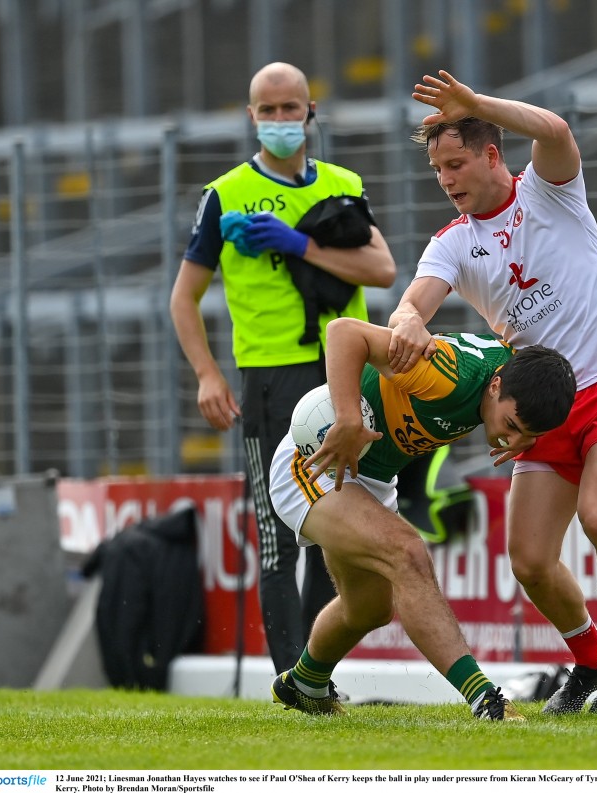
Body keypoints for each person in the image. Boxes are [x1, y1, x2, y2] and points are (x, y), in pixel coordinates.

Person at [387, 70, 597, 714]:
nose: (448, 179)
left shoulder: (551, 192)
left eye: (456, 163)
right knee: (531, 562)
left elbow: (557, 129)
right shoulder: (452, 244)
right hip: (538, 409)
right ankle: (590, 661)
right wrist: (404, 322)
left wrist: (477, 104)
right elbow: (415, 300)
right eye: (437, 171)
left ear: (491, 154)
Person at [169, 62, 397, 675]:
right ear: (251, 117)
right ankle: (286, 679)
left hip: (341, 375)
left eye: (289, 109)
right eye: (266, 111)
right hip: (268, 377)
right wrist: (208, 375)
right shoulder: (225, 194)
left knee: (335, 527)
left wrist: (299, 245)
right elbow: (182, 298)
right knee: (276, 536)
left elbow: (382, 270)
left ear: (310, 110)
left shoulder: (344, 182)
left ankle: (313, 675)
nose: (279, 121)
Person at [268, 317, 576, 719]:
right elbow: (343, 332)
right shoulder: (444, 373)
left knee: (369, 609)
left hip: (369, 477)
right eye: (511, 426)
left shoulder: (519, 377)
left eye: (526, 438)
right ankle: (485, 699)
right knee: (409, 553)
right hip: (313, 463)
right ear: (496, 385)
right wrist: (347, 418)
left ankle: (304, 683)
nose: (512, 441)